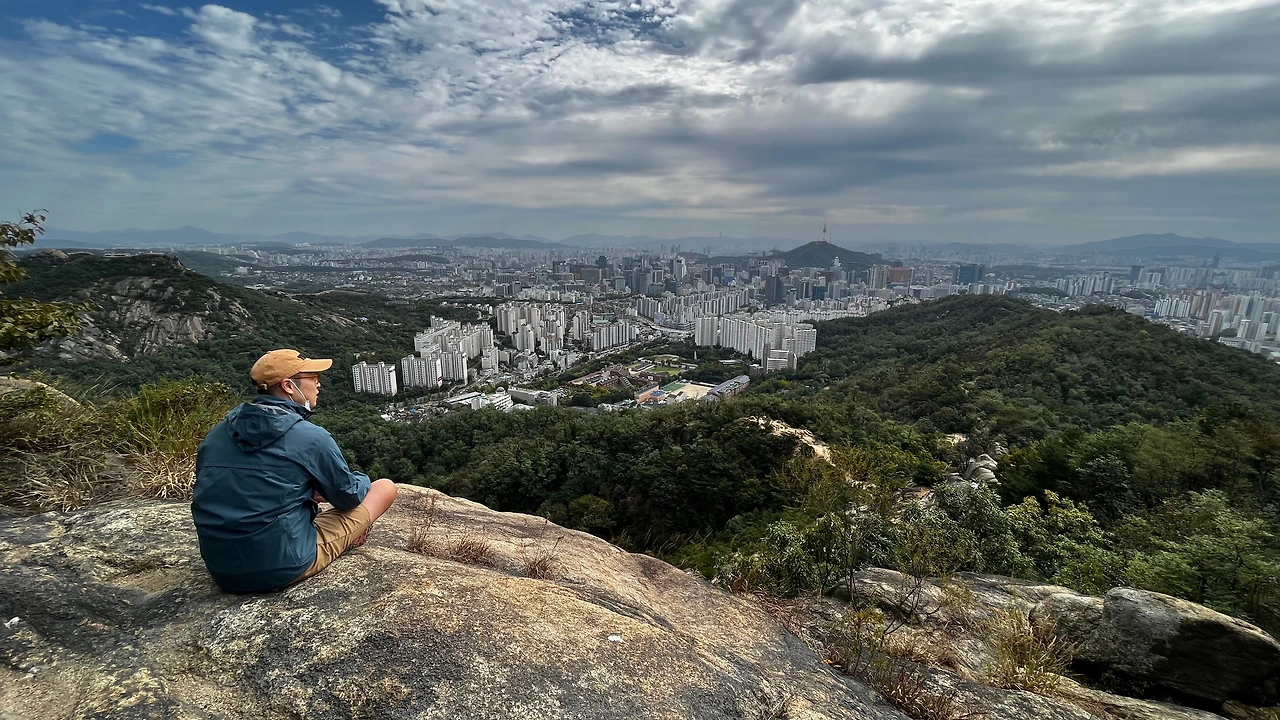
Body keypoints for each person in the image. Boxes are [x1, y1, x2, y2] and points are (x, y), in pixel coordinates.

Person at [191, 349, 398, 593]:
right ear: (289, 386)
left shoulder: (216, 435)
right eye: (313, 378)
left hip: (222, 570)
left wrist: (306, 489)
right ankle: (349, 538)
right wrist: (360, 479)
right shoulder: (311, 438)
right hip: (281, 565)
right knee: (384, 488)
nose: (319, 385)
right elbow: (348, 497)